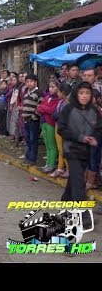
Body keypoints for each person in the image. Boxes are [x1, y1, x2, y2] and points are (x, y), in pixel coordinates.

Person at [57, 81, 102, 227]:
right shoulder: (68, 109)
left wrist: (95, 138)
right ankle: (83, 216)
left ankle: (65, 204)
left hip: (86, 152)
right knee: (78, 183)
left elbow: (99, 128)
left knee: (73, 183)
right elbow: (61, 129)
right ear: (76, 94)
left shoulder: (94, 111)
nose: (84, 96)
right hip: (72, 150)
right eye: (81, 93)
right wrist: (80, 137)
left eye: (88, 93)